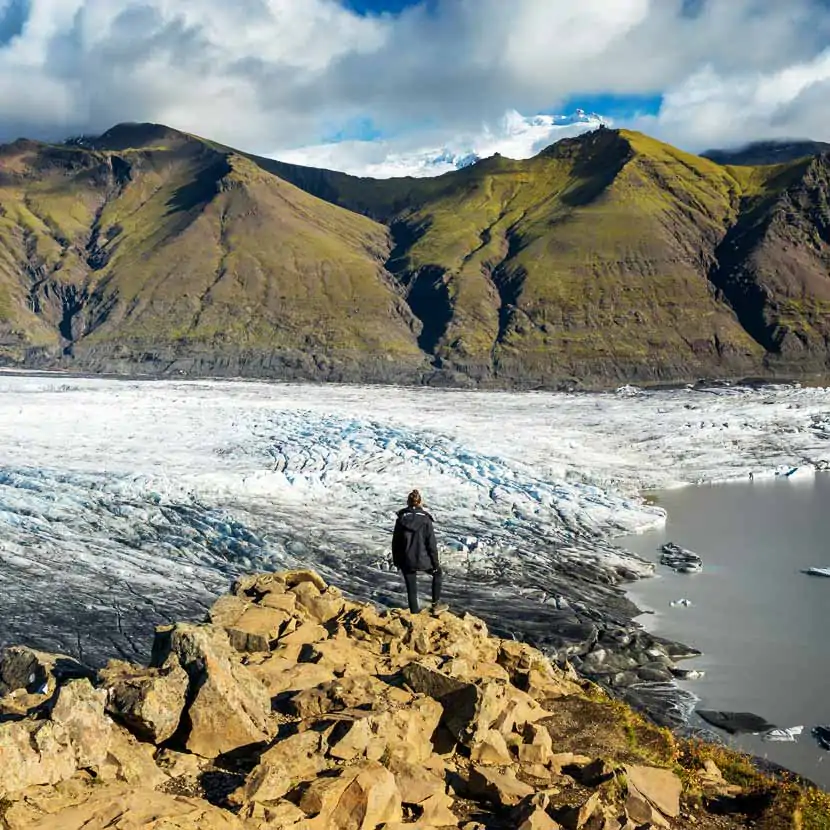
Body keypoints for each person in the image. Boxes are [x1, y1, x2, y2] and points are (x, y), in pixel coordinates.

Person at [392, 489, 447, 614]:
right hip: (424, 559)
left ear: (408, 502)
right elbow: (431, 544)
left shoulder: (401, 519)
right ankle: (436, 605)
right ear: (420, 502)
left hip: (406, 560)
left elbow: (396, 542)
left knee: (412, 589)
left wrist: (397, 561)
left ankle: (415, 615)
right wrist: (435, 563)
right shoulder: (426, 520)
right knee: (437, 574)